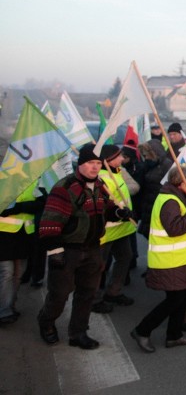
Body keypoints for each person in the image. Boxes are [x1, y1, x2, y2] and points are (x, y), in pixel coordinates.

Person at [37, 143, 132, 349]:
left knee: (87, 294)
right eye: (91, 162)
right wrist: (55, 253)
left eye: (98, 163)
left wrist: (118, 213)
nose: (95, 167)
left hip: (92, 249)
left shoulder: (99, 186)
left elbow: (106, 209)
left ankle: (78, 333)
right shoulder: (65, 187)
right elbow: (49, 223)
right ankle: (46, 322)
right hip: (68, 251)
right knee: (59, 295)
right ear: (80, 164)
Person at [130, 165, 186, 353]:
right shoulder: (170, 201)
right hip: (169, 261)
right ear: (180, 183)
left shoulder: (176, 197)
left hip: (180, 259)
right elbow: (175, 228)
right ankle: (142, 330)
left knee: (184, 295)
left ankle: (174, 335)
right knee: (175, 299)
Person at [92, 144, 137, 314]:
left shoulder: (116, 173)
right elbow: (102, 206)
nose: (122, 159)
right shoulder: (101, 179)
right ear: (108, 160)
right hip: (106, 232)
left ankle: (113, 292)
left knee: (125, 257)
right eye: (118, 156)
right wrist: (119, 213)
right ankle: (94, 299)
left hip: (122, 229)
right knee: (99, 266)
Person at [0, 181, 43, 325]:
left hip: (25, 234)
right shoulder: (4, 179)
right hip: (4, 233)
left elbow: (41, 204)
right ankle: (4, 310)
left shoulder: (34, 180)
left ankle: (10, 305)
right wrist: (22, 207)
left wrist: (18, 207)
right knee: (7, 273)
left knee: (18, 274)